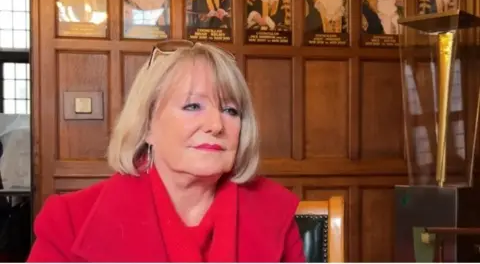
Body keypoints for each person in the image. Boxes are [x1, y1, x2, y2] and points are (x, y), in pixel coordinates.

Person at [27, 40, 306, 262]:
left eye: (230, 110)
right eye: (193, 106)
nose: (216, 125)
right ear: (147, 125)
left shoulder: (275, 212)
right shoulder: (68, 221)